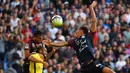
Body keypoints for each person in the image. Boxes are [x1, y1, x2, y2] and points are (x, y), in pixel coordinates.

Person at [44, 1, 115, 73]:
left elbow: (94, 21)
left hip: (93, 63)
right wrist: (52, 43)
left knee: (109, 71)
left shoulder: (89, 35)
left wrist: (91, 8)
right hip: (84, 68)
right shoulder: (75, 41)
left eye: (77, 31)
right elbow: (63, 43)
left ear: (81, 31)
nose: (75, 32)